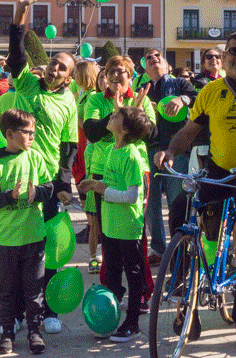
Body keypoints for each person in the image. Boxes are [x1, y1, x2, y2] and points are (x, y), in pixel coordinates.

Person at [154, 31, 236, 355]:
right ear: (224, 57)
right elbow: (188, 132)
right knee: (199, 239)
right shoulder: (211, 92)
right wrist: (170, 150)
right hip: (218, 172)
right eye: (234, 51)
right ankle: (192, 302)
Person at [7, 0, 79, 335]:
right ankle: (20, 311)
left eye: (62, 67)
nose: (54, 69)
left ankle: (48, 308)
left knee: (47, 249)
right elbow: (17, 54)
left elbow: (70, 146)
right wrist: (22, 10)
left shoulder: (69, 103)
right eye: (53, 62)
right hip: (19, 177)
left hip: (48, 182)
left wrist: (64, 184)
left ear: (69, 77)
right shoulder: (29, 86)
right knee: (21, 248)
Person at [79, 106, 153, 342]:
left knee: (133, 276)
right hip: (110, 226)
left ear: (127, 129)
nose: (111, 116)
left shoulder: (132, 155)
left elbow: (132, 196)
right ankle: (109, 320)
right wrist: (92, 183)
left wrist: (102, 189)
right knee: (111, 275)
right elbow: (112, 183)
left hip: (128, 228)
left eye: (117, 116)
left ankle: (132, 324)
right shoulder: (112, 148)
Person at [0, 109, 52, 355]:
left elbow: (49, 186)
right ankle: (7, 330)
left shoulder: (35, 157)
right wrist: (9, 197)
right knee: (7, 289)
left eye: (34, 132)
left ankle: (35, 330)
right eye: (27, 132)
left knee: (34, 289)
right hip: (7, 240)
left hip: (34, 235)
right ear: (10, 134)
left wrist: (37, 193)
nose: (32, 136)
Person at [141, 49, 198, 259]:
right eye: (149, 58)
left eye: (158, 56)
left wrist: (182, 99)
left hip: (176, 150)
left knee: (177, 202)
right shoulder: (142, 88)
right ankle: (158, 248)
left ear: (167, 65)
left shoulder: (180, 84)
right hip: (150, 149)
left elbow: (195, 97)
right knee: (151, 203)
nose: (153, 59)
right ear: (145, 69)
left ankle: (179, 248)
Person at [71, 61, 101, 273]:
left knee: (86, 185)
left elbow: (88, 125)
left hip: (87, 146)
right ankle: (90, 227)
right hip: (79, 144)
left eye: (75, 72)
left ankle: (93, 229)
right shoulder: (82, 94)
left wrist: (76, 115)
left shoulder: (91, 97)